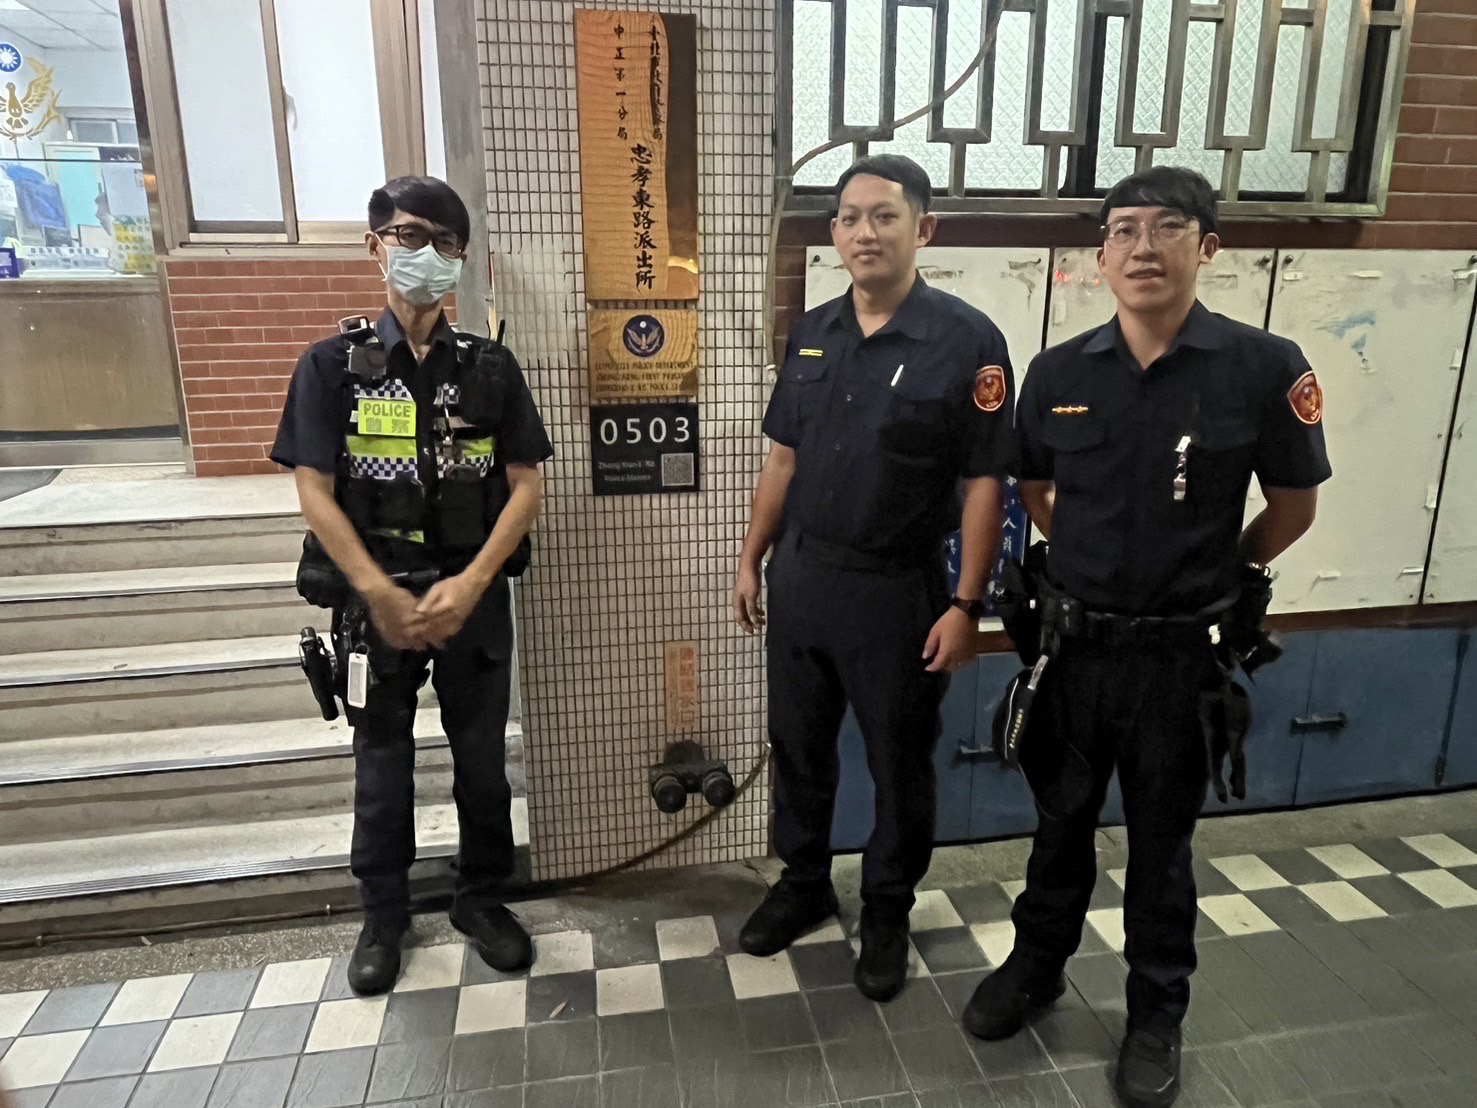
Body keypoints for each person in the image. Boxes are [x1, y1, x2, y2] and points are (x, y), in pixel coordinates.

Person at [962, 167, 1330, 1107]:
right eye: (1122, 230)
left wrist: (1216, 572)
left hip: (1179, 660)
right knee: (1058, 827)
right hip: (1073, 652)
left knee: (1161, 850)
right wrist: (1094, 565)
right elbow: (1036, 490)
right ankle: (1036, 968)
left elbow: (1292, 507)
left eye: (1167, 227)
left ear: (1207, 246)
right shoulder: (1059, 373)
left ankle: (1156, 1014)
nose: (1142, 247)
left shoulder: (1262, 366)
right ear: (1100, 255)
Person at [732, 154, 1014, 1001]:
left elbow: (985, 483)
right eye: (850, 218)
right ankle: (803, 883)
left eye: (884, 216)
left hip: (896, 590)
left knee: (898, 761)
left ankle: (887, 908)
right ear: (834, 233)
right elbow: (782, 458)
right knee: (798, 746)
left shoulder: (966, 340)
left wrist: (966, 604)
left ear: (921, 229)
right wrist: (750, 557)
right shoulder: (812, 331)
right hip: (803, 577)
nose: (865, 232)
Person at [271, 176, 553, 995]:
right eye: (408, 236)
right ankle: (384, 914)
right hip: (376, 602)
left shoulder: (490, 368)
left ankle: (481, 899)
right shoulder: (331, 367)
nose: (425, 254)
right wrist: (379, 592)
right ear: (376, 246)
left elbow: (526, 486)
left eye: (444, 241)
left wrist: (471, 584)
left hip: (472, 597)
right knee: (382, 763)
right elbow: (314, 491)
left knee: (482, 763)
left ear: (461, 259)